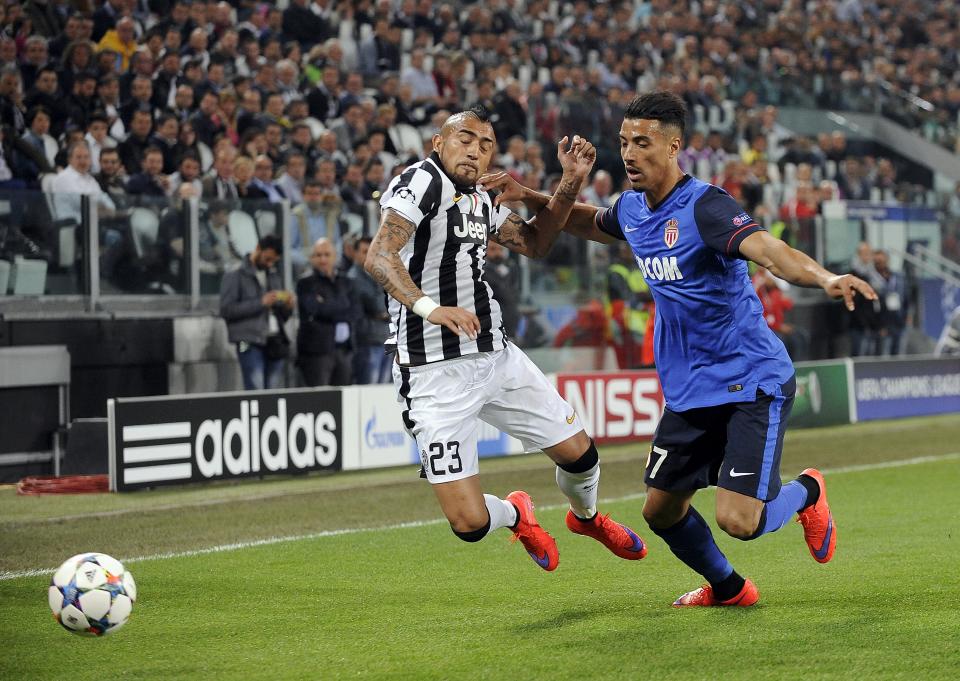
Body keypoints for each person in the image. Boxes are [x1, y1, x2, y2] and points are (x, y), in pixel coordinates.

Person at [481, 91, 878, 605]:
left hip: (748, 380)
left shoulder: (706, 207)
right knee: (660, 511)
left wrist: (825, 278)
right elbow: (592, 223)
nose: (628, 154)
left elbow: (770, 251)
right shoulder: (633, 208)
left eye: (642, 143)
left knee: (740, 521)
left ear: (673, 147)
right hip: (689, 390)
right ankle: (730, 589)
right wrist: (529, 196)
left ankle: (807, 492)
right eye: (623, 142)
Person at [365, 106, 646, 572]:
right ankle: (517, 513)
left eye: (485, 145)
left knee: (580, 455)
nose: (475, 151)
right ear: (439, 143)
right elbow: (380, 255)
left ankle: (588, 518)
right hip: (431, 374)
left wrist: (570, 180)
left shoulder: (482, 198)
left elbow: (536, 243)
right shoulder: (421, 182)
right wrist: (432, 309)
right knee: (469, 524)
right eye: (465, 139)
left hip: (494, 356)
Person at [219, 234, 295, 391]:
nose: (270, 264)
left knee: (273, 394)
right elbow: (226, 310)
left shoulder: (273, 274)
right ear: (258, 249)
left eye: (274, 261)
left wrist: (287, 306)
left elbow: (282, 316)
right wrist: (260, 303)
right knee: (255, 390)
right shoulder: (235, 273)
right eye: (268, 259)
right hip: (246, 341)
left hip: (274, 340)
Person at [296, 237, 355, 386]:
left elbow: (355, 311)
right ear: (311, 258)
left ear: (335, 257)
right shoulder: (305, 283)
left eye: (327, 254)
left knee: (344, 398)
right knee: (320, 400)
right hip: (317, 352)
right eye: (318, 255)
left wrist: (328, 306)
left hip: (344, 350)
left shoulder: (345, 282)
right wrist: (340, 307)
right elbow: (315, 309)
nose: (322, 259)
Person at [348, 236, 392, 384]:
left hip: (383, 337)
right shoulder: (353, 278)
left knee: (384, 390)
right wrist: (381, 311)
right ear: (354, 253)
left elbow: (388, 304)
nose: (368, 255)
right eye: (364, 251)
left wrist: (381, 312)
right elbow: (378, 304)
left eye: (372, 251)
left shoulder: (375, 274)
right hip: (367, 340)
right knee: (369, 387)